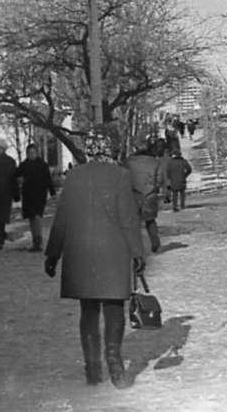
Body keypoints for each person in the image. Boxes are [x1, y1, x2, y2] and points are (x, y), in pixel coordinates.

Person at [44, 133, 146, 388]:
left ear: (88, 149)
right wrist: (137, 252)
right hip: (112, 253)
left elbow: (63, 217)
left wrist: (52, 254)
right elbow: (128, 218)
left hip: (81, 255)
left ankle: (91, 368)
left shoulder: (74, 176)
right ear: (109, 148)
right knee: (113, 310)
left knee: (88, 312)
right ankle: (115, 364)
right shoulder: (120, 175)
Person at [126, 140, 164, 253]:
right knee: (150, 221)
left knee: (134, 222)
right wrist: (155, 188)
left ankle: (135, 247)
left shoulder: (128, 162)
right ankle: (155, 244)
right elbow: (160, 179)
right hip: (150, 195)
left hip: (133, 195)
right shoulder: (155, 162)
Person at [17, 143, 56, 251]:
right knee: (31, 217)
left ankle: (38, 242)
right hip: (28, 195)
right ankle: (35, 241)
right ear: (27, 153)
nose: (31, 155)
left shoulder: (42, 165)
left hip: (39, 194)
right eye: (29, 153)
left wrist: (53, 193)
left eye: (33, 152)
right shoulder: (23, 165)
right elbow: (17, 177)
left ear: (37, 153)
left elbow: (48, 180)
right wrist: (20, 180)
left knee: (37, 216)